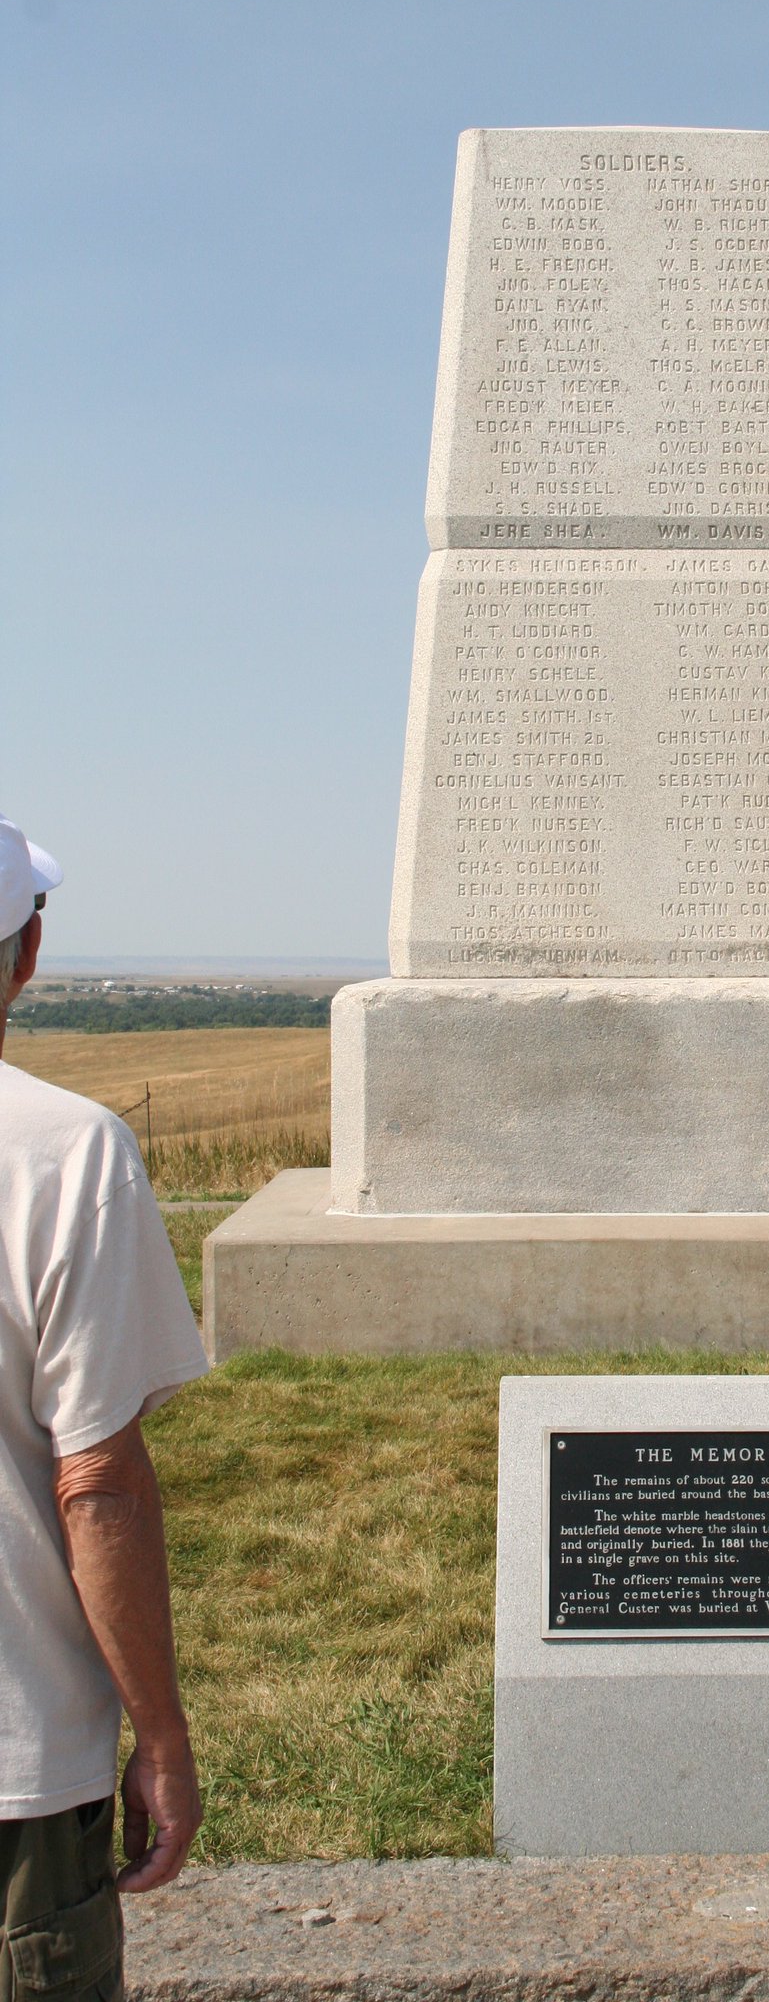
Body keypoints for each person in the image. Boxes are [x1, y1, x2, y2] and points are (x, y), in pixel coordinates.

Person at [0, 813, 209, 2002]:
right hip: (18, 1772)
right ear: (28, 951)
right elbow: (100, 1481)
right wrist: (163, 1738)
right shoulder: (67, 1154)